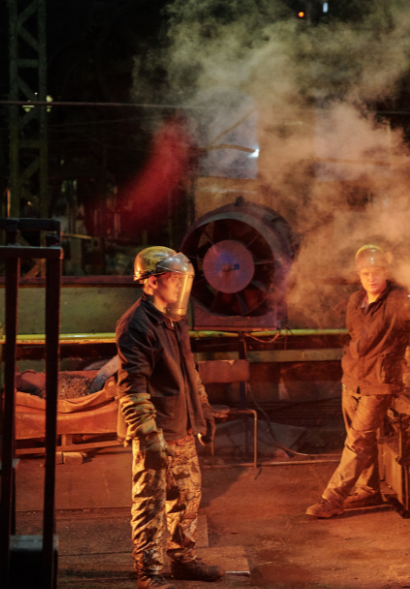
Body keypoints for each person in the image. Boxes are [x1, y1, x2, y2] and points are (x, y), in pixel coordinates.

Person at [117, 246, 223, 589]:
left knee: (187, 496)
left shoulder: (174, 320)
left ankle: (183, 560)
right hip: (158, 429)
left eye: (182, 280)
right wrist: (149, 436)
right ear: (150, 282)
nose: (180, 286)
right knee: (150, 501)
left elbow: (189, 372)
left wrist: (202, 413)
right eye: (173, 279)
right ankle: (148, 571)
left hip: (183, 424)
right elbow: (133, 386)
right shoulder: (136, 324)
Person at [306, 244, 410, 519]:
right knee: (358, 440)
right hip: (353, 379)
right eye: (366, 273)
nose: (371, 278)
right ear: (359, 275)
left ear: (387, 273)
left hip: (379, 383)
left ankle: (332, 499)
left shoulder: (398, 302)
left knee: (357, 442)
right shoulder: (355, 301)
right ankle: (368, 491)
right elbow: (354, 336)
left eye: (377, 272)